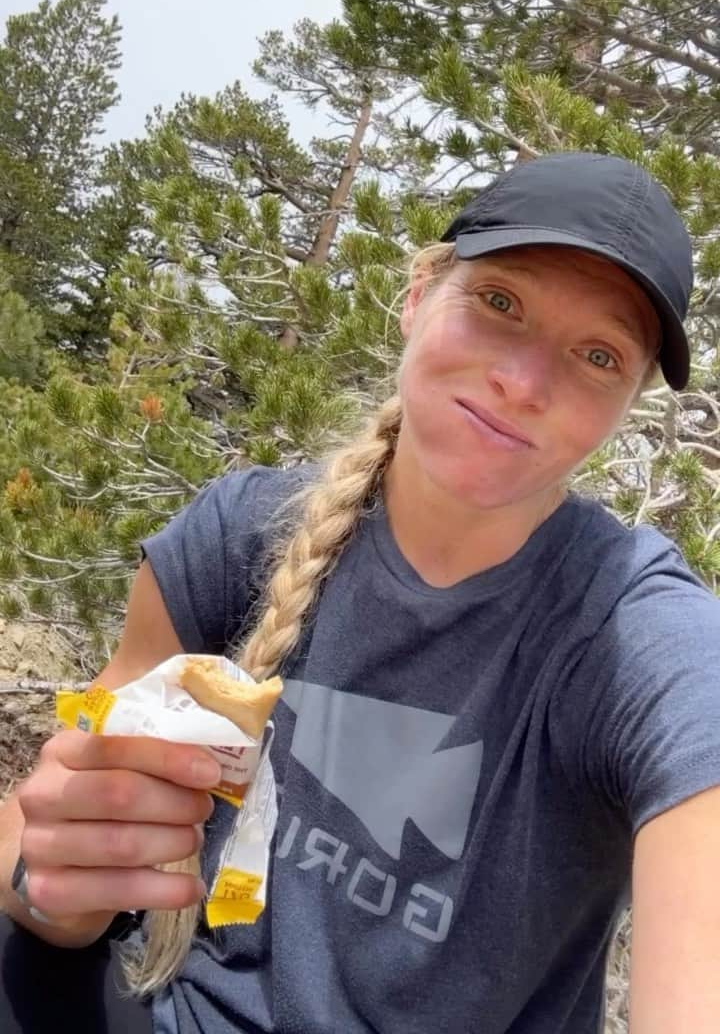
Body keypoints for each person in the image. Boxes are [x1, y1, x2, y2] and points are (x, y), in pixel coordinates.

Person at [1, 149, 719, 1034]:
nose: (522, 385)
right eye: (500, 303)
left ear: (625, 406)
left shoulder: (630, 638)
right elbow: (40, 858)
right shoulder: (240, 533)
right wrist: (53, 887)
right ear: (419, 293)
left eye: (598, 355)